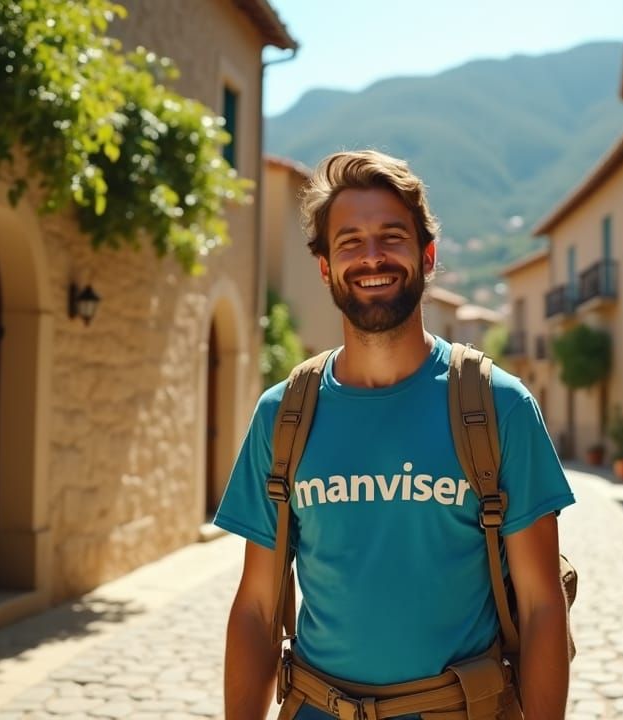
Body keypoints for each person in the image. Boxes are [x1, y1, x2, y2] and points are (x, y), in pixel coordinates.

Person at [214, 150, 575, 719]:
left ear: (427, 255)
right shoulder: (282, 415)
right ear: (325, 266)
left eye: (391, 236)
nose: (372, 256)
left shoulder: (498, 406)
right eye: (350, 241)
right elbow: (257, 608)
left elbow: (541, 606)